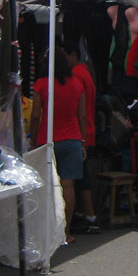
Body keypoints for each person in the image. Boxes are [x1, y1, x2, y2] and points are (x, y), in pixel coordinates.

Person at [31, 49, 89, 244]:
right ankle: (65, 231)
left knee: (46, 186)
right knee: (68, 186)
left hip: (46, 139)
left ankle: (47, 231)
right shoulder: (77, 84)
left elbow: (36, 115)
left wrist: (32, 137)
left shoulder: (41, 84)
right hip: (72, 138)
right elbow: (82, 116)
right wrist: (82, 141)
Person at [62, 40, 101, 235]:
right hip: (86, 131)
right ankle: (85, 214)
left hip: (80, 132)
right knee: (81, 177)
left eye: (65, 55)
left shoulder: (76, 74)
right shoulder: (86, 72)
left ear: (73, 55)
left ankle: (90, 216)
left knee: (80, 179)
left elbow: (80, 111)